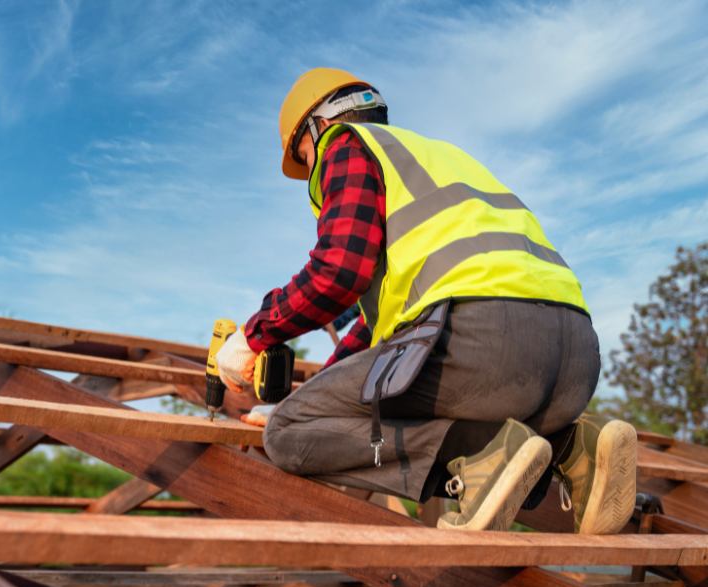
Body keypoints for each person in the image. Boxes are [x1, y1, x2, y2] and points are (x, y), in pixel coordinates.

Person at [214, 68, 636, 534]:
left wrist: (253, 337)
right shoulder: (441, 161)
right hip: (575, 363)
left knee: (288, 434)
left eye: (303, 154)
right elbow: (376, 334)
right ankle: (575, 450)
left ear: (318, 126)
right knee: (325, 406)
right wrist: (318, 397)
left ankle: (479, 457)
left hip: (479, 343)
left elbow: (338, 272)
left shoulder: (347, 145)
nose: (310, 168)